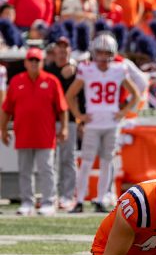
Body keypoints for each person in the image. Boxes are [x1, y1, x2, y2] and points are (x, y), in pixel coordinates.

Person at [66, 33, 140, 213]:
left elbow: (135, 94)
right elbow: (70, 95)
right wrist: (79, 115)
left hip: (111, 123)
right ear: (93, 52)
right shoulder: (86, 68)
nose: (102, 57)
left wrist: (123, 112)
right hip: (92, 123)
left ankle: (100, 199)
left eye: (106, 53)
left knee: (107, 161)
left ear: (112, 53)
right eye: (99, 52)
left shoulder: (119, 69)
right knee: (86, 162)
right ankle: (80, 200)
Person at [0, 47, 68, 216]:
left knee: (47, 170)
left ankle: (48, 201)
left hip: (45, 135)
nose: (33, 63)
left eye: (37, 60)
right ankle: (26, 202)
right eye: (31, 60)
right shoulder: (16, 81)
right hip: (23, 134)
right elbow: (6, 109)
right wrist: (3, 129)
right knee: (25, 171)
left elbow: (62, 108)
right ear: (25, 62)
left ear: (42, 62)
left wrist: (65, 128)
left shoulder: (52, 81)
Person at [44, 36, 79, 210]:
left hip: (69, 120)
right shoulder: (48, 70)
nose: (62, 51)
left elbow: (80, 96)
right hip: (49, 120)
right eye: (59, 47)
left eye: (65, 48)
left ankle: (67, 195)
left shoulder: (75, 70)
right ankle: (51, 195)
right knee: (50, 160)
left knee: (67, 158)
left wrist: (80, 118)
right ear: (54, 51)